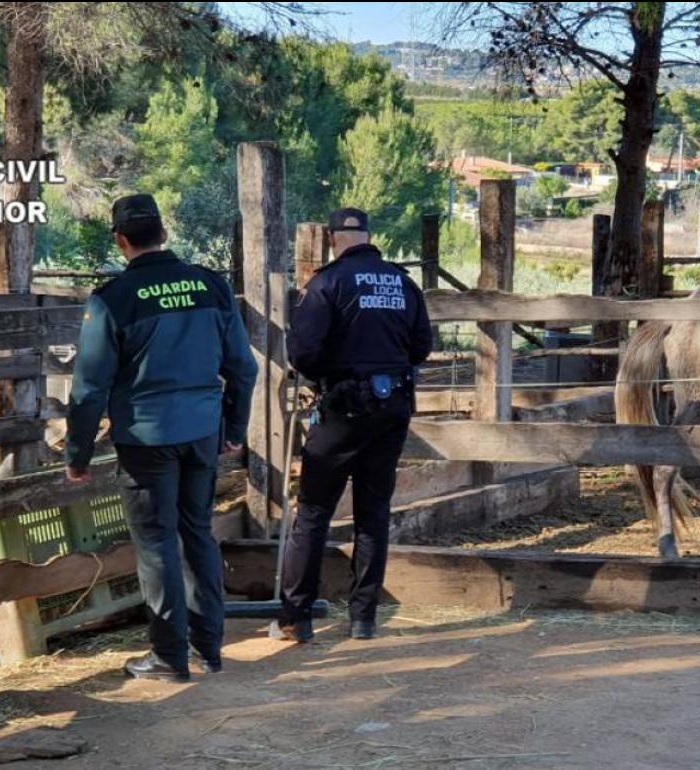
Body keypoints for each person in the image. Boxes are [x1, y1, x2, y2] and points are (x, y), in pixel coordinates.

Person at [65, 193, 258, 681]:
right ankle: (209, 649)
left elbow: (90, 388)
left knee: (156, 544)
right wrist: (233, 429)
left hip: (146, 437)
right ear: (164, 234)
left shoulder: (113, 300)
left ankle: (169, 656)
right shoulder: (212, 287)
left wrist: (78, 453)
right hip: (201, 432)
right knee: (197, 532)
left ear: (121, 240)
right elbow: (243, 366)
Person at [272, 207, 432, 643]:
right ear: (368, 235)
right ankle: (363, 618)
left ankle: (297, 618)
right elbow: (422, 346)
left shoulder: (326, 283)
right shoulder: (402, 282)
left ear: (330, 238)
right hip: (392, 406)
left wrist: (334, 374)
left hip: (342, 408)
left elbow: (303, 353)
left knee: (313, 513)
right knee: (373, 513)